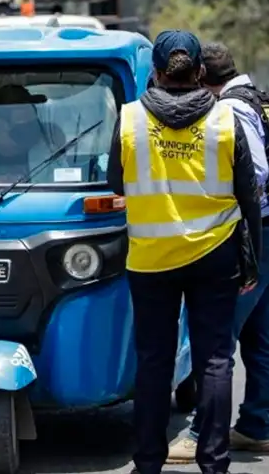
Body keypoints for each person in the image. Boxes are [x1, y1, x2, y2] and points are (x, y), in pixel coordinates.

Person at [107, 30, 262, 474]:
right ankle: (213, 463)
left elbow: (117, 184)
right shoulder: (226, 120)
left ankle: (149, 463)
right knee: (214, 360)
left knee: (153, 361)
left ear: (155, 73)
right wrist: (252, 258)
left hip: (151, 259)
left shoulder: (131, 118)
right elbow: (248, 196)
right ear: (199, 73)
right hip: (215, 256)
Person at [168, 41, 269, 462]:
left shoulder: (229, 111)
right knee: (259, 336)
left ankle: (199, 433)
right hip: (265, 234)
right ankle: (256, 425)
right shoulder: (260, 101)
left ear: (202, 80)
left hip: (250, 234)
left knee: (216, 338)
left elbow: (257, 172)